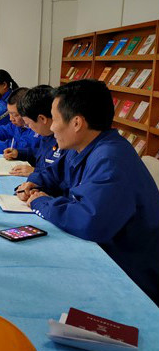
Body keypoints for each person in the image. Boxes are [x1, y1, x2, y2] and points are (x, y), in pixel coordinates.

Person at [16, 80, 159, 305]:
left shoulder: (111, 159)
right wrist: (33, 184)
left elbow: (89, 221)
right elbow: (55, 174)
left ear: (77, 123)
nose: (52, 128)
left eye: (55, 119)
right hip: (104, 255)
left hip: (131, 277)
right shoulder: (83, 146)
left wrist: (41, 203)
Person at [4, 85, 65, 177]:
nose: (29, 128)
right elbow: (41, 154)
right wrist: (20, 153)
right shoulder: (46, 135)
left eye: (28, 124)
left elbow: (61, 176)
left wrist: (36, 172)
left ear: (42, 119)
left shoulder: (64, 140)